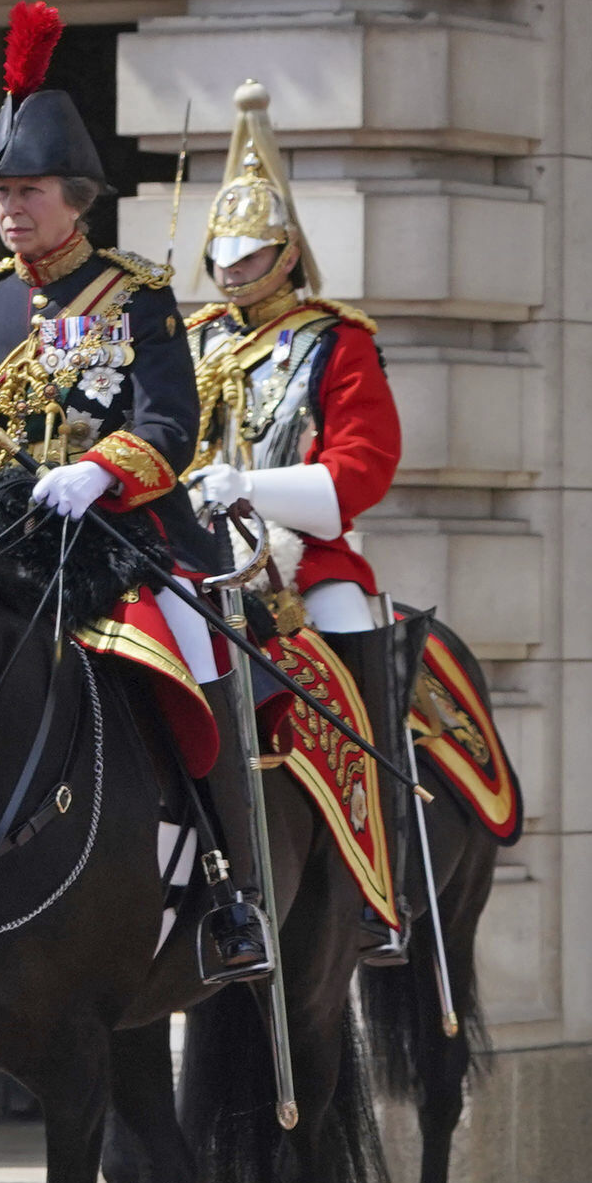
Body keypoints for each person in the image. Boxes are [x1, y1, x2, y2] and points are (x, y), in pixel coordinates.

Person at [0, 2, 269, 982]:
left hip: (123, 543)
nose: (8, 208)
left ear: (74, 197)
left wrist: (98, 470)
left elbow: (171, 425)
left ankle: (226, 889)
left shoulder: (136, 295)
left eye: (26, 190)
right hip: (5, 550)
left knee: (194, 655)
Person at [183, 79, 410, 961]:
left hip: (305, 563)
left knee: (352, 652)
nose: (234, 273)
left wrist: (254, 486)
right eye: (224, 258)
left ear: (284, 254)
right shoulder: (195, 338)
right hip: (199, 553)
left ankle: (376, 885)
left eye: (250, 258)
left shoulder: (337, 340)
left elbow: (363, 467)